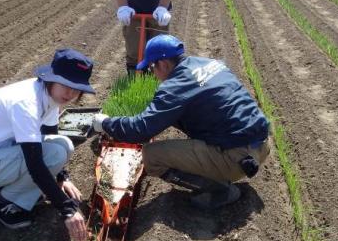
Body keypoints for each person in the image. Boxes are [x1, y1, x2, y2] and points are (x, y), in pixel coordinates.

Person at [91, 35, 271, 210]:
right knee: (181, 116)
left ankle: (219, 189)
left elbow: (140, 130)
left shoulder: (175, 87)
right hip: (262, 145)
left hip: (235, 159)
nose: (152, 73)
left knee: (151, 156)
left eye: (152, 68)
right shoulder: (209, 63)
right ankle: (220, 171)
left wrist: (106, 123)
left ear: (162, 64)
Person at [0, 49, 95, 241]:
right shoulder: (26, 103)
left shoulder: (49, 97)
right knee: (53, 153)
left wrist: (62, 177)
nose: (70, 93)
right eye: (65, 84)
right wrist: (67, 210)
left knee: (63, 145)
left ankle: (16, 190)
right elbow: (35, 162)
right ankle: (6, 205)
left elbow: (49, 137)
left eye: (76, 88)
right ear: (51, 79)